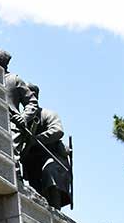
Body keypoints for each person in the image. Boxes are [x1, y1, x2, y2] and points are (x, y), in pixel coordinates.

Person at [4, 67, 74, 209]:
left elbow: (58, 131)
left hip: (52, 156)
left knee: (49, 172)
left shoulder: (47, 114)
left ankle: (56, 210)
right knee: (35, 185)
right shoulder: (19, 120)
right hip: (31, 161)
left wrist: (37, 139)